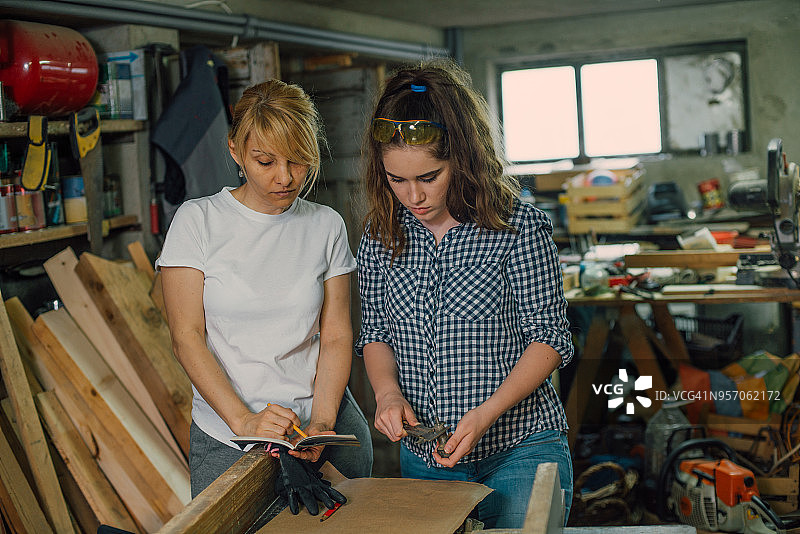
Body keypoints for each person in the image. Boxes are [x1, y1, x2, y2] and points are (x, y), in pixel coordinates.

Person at [355, 59, 573, 529]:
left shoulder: (517, 227)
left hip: (521, 449)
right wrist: (387, 393)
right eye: (397, 180)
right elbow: (374, 332)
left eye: (429, 176)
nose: (413, 196)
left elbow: (550, 339)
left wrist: (486, 413)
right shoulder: (379, 235)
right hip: (428, 459)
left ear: (463, 158)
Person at [157, 79, 373, 499]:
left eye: (298, 161)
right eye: (265, 161)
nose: (285, 178)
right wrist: (243, 422)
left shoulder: (326, 224)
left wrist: (324, 421)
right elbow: (186, 337)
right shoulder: (197, 222)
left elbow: (336, 334)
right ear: (236, 152)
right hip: (230, 435)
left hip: (323, 429)